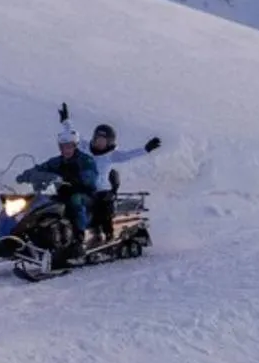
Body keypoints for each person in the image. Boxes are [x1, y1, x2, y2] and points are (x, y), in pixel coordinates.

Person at [18, 104, 160, 255]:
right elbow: (72, 136)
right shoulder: (84, 147)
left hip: (98, 190)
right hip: (74, 186)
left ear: (109, 142)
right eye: (98, 139)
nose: (99, 143)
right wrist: (65, 121)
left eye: (103, 140)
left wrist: (146, 149)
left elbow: (128, 155)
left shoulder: (111, 155)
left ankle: (94, 235)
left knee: (87, 204)